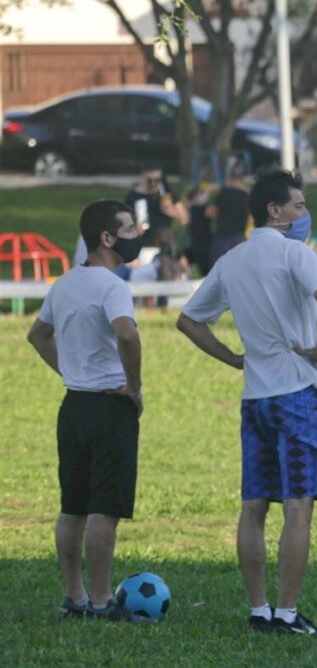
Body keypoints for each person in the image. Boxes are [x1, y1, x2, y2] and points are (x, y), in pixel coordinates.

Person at [176, 167, 317, 636]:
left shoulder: (231, 260)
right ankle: (287, 615)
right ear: (275, 211)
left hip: (256, 400)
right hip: (296, 394)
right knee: (298, 505)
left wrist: (233, 358)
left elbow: (189, 321)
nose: (304, 213)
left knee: (253, 506)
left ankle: (259, 610)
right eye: (299, 205)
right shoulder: (296, 253)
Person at [26, 199, 151, 623]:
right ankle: (101, 603)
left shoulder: (64, 284)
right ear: (107, 238)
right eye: (129, 229)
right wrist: (133, 387)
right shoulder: (112, 286)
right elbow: (127, 336)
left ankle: (74, 598)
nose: (136, 235)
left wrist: (70, 369)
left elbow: (38, 335)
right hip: (110, 407)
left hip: (74, 406)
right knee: (105, 508)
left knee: (73, 506)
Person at [124, 165, 189, 283]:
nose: (154, 183)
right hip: (145, 244)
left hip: (165, 244)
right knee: (145, 279)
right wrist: (134, 230)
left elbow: (184, 219)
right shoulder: (133, 195)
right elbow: (125, 222)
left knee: (167, 276)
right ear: (143, 177)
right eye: (150, 180)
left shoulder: (167, 194)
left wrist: (171, 212)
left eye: (157, 180)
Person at [207, 165, 251, 268]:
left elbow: (213, 212)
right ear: (241, 181)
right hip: (239, 236)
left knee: (219, 267)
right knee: (240, 267)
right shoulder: (246, 196)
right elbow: (249, 217)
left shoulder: (222, 193)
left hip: (222, 236)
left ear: (230, 180)